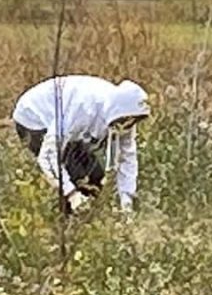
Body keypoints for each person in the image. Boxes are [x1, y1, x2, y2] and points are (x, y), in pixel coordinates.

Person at [13, 75, 150, 215]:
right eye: (126, 120)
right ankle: (65, 225)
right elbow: (47, 156)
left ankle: (86, 221)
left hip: (70, 130)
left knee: (95, 179)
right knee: (76, 179)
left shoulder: (125, 119)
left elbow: (127, 159)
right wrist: (72, 194)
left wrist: (127, 206)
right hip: (33, 118)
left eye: (134, 121)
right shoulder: (83, 109)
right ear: (119, 112)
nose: (128, 126)